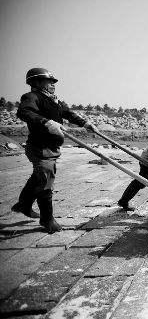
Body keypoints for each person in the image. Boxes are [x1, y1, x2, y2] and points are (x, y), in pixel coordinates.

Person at [13, 68, 96, 233]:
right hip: (39, 147)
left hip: (52, 147)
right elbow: (24, 112)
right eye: (49, 81)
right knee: (46, 180)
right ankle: (47, 219)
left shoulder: (54, 100)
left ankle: (23, 204)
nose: (53, 85)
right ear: (36, 83)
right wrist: (46, 122)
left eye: (53, 82)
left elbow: (68, 114)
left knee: (40, 177)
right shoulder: (32, 97)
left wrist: (85, 124)